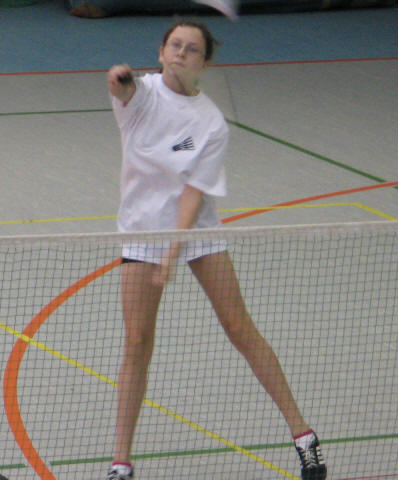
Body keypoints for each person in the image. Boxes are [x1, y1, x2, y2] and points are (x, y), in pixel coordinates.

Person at [106, 19, 327, 480]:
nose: (180, 53)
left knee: (238, 326)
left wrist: (174, 251)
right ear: (161, 52)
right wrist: (118, 77)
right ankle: (120, 464)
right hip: (143, 231)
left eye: (191, 49)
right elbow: (121, 88)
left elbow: (193, 194)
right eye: (174, 45)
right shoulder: (142, 95)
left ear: (204, 63)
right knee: (137, 342)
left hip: (197, 229)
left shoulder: (211, 123)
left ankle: (304, 437)